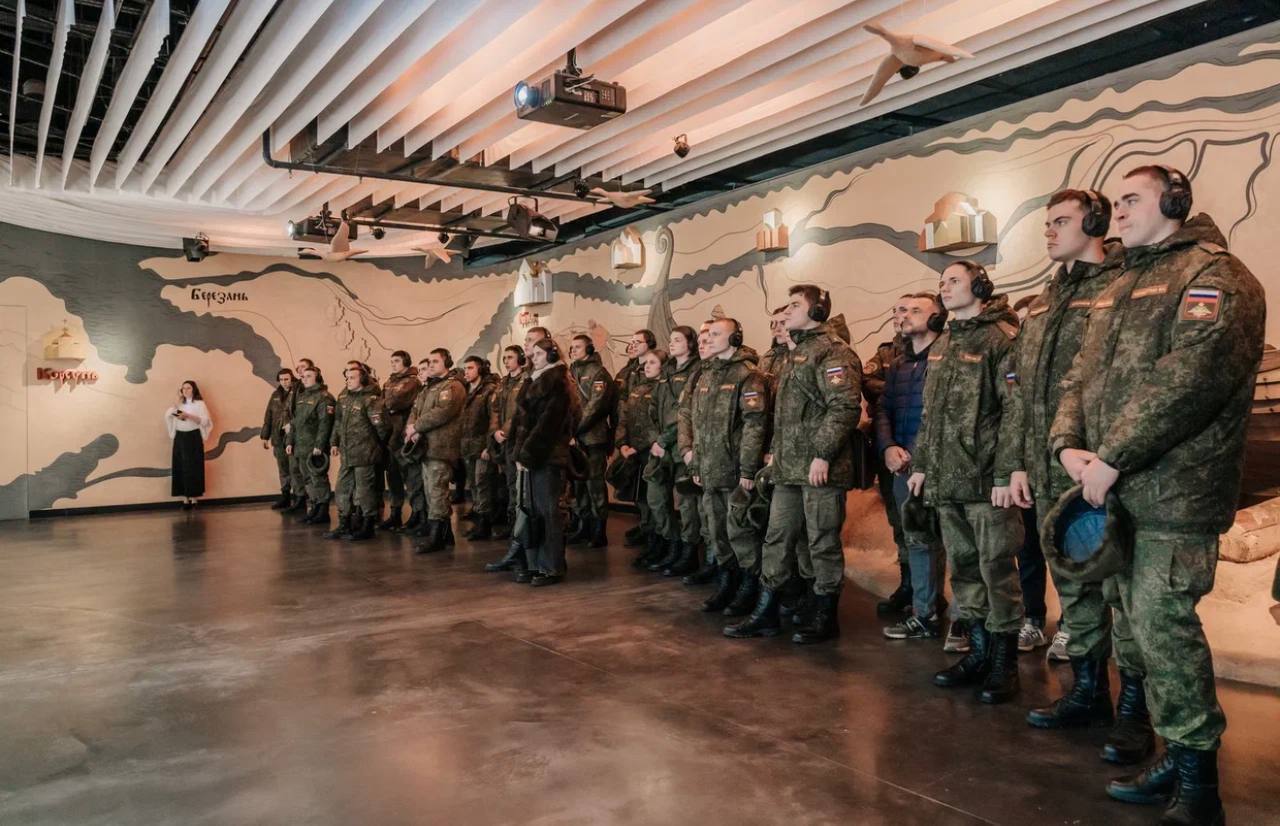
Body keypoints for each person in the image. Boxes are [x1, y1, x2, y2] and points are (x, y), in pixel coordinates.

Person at [1051, 166, 1264, 824]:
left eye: (1131, 200)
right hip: (1113, 489)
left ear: (1173, 202)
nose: (1117, 212)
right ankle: (1172, 752)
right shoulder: (1121, 282)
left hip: (1176, 494)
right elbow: (1080, 373)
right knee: (1135, 625)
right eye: (1114, 202)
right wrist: (1067, 443)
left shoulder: (1216, 277)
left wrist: (1112, 456)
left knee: (1165, 628)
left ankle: (1198, 784)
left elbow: (1187, 381)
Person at [1001, 189, 1142, 750]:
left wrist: (1112, 457)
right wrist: (1017, 463)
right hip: (1046, 467)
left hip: (1103, 468)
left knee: (1123, 593)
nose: (1050, 231)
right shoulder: (1044, 301)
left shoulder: (1122, 285)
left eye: (1061, 221)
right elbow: (1020, 393)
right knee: (1073, 588)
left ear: (1096, 222)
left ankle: (1135, 709)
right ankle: (1088, 693)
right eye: (1048, 223)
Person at [907, 261, 1025, 704]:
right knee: (965, 571)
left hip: (985, 480)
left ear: (980, 285)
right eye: (941, 282)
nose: (945, 288)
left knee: (997, 571)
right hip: (947, 480)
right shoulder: (944, 343)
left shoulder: (1001, 339)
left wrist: (1006, 472)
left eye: (954, 281)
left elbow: (1015, 411)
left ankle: (1004, 663)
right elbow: (931, 415)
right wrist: (923, 464)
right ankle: (978, 653)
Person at [727, 286, 861, 643]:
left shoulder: (834, 351)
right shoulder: (795, 352)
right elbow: (785, 415)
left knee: (822, 542)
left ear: (817, 311)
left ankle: (825, 614)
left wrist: (822, 454)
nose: (786, 312)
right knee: (777, 537)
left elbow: (844, 407)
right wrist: (774, 453)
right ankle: (767, 610)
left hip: (820, 469)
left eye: (795, 305)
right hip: (787, 467)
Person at [677, 318, 770, 616]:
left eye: (717, 334)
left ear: (735, 338)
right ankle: (727, 581)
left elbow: (755, 426)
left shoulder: (748, 375)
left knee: (741, 532)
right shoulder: (706, 374)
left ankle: (749, 587)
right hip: (708, 469)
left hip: (734, 472)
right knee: (717, 531)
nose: (709, 339)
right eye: (708, 334)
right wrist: (695, 461)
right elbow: (695, 422)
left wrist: (748, 470)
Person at [876, 294, 948, 640]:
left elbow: (942, 417)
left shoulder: (947, 358)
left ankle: (963, 622)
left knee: (950, 543)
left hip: (938, 465)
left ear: (936, 318)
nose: (905, 315)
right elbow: (883, 409)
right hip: (903, 466)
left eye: (916, 310)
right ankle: (925, 613)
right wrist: (888, 447)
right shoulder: (899, 364)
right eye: (902, 310)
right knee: (917, 541)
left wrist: (917, 454)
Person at [510, 337, 580, 585]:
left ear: (551, 355)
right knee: (533, 512)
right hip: (530, 457)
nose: (534, 357)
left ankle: (552, 566)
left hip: (547, 457)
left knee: (549, 512)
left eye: (539, 353)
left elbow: (547, 426)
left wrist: (526, 455)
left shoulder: (558, 383)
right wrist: (517, 453)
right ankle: (534, 563)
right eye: (534, 353)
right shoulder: (534, 379)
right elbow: (521, 421)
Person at [866, 297, 913, 616]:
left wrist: (894, 392)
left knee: (924, 526)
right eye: (896, 311)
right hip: (888, 446)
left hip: (917, 448)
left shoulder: (936, 349)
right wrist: (896, 391)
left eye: (907, 310)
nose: (899, 316)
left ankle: (928, 594)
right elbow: (865, 380)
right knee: (898, 521)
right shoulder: (885, 353)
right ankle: (907, 583)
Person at [645, 326, 703, 576]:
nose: (672, 343)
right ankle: (671, 543)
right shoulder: (667, 370)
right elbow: (652, 407)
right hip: (660, 449)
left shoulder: (696, 370)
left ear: (690, 343)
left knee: (688, 506)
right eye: (671, 339)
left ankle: (688, 552)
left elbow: (685, 413)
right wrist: (654, 440)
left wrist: (664, 440)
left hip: (680, 447)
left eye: (678, 340)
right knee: (656, 499)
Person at [408, 349, 467, 553]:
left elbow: (443, 412)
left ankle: (437, 538)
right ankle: (445, 535)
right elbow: (415, 410)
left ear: (447, 363)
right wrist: (411, 427)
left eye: (435, 361)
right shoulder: (429, 387)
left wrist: (417, 427)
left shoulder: (453, 386)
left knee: (437, 493)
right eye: (429, 361)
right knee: (431, 492)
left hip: (441, 448)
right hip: (427, 447)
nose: (431, 365)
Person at [328, 365, 391, 541]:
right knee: (342, 489)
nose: (348, 381)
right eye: (347, 378)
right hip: (347, 453)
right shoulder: (344, 398)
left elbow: (383, 428)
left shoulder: (371, 400)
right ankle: (344, 524)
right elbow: (338, 422)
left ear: (362, 379)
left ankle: (368, 525)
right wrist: (334, 442)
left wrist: (375, 446)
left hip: (365, 453)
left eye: (352, 377)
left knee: (365, 491)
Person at [617, 348, 668, 566]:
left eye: (653, 363)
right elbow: (625, 418)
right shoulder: (637, 388)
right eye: (645, 363)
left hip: (651, 451)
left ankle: (660, 543)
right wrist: (622, 443)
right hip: (634, 451)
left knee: (656, 501)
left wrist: (638, 447)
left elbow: (657, 424)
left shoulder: (663, 390)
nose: (647, 366)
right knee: (642, 500)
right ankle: (648, 539)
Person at [568, 333, 616, 548]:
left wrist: (574, 429)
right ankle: (583, 525)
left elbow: (595, 407)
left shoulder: (598, 373)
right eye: (571, 347)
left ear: (589, 349)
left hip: (593, 438)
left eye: (577, 347)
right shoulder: (571, 371)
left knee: (594, 484)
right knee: (579, 485)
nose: (573, 350)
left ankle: (599, 530)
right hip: (575, 439)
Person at [617, 329, 656, 547]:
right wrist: (622, 441)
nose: (632, 345)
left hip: (648, 441)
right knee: (636, 487)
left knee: (650, 491)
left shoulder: (655, 369)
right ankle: (644, 525)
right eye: (630, 341)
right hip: (631, 436)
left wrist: (640, 444)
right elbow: (624, 407)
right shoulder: (630, 370)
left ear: (649, 344)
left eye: (637, 342)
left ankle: (652, 531)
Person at [487, 345, 528, 549]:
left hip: (517, 438)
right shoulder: (503, 382)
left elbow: (521, 411)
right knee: (509, 482)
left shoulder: (526, 381)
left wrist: (504, 431)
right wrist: (495, 430)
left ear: (520, 358)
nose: (506, 361)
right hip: (503, 441)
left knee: (519, 486)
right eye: (504, 358)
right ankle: (512, 523)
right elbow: (494, 409)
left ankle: (519, 527)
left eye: (510, 357)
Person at [380, 351, 424, 531]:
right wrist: (386, 404)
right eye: (391, 361)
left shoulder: (412, 382)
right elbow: (381, 404)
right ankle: (395, 514)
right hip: (391, 436)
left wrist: (387, 404)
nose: (393, 364)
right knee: (393, 478)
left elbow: (391, 403)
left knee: (412, 479)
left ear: (406, 361)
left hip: (404, 438)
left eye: (397, 361)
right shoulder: (390, 381)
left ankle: (417, 515)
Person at [289, 365, 335, 525]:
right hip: (301, 446)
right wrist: (290, 441)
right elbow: (295, 423)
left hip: (315, 447)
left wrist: (320, 445)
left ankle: (323, 510)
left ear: (317, 378)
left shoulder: (324, 397)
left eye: (309, 376)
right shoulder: (301, 397)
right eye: (303, 376)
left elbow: (325, 424)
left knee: (318, 478)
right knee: (307, 479)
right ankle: (314, 507)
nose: (305, 379)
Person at [460, 356, 500, 540]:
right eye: (465, 368)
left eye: (470, 368)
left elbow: (493, 420)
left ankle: (485, 524)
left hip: (482, 445)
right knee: (474, 485)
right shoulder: (466, 390)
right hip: (468, 445)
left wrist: (489, 446)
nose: (466, 372)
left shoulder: (489, 390)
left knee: (483, 483)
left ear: (480, 369)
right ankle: (479, 521)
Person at [166, 380, 212, 509]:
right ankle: (185, 499)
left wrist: (188, 416)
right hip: (180, 437)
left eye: (188, 388)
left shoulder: (200, 404)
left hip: (193, 437)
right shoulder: (179, 403)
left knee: (193, 466)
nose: (185, 390)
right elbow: (169, 415)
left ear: (194, 389)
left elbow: (205, 421)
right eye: (183, 388)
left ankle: (194, 498)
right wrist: (177, 411)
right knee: (181, 465)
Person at [283, 358, 316, 515]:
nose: (299, 370)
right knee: (294, 469)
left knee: (309, 473)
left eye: (303, 367)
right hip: (294, 432)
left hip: (307, 435)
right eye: (298, 368)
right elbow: (288, 409)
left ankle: (314, 504)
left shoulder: (312, 389)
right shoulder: (295, 387)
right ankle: (299, 499)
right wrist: (288, 425)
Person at [261, 368, 295, 510]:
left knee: (295, 469)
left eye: (286, 379)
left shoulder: (298, 393)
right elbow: (268, 416)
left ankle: (299, 498)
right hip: (278, 438)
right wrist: (265, 436)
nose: (284, 382)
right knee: (283, 469)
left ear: (292, 378)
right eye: (281, 380)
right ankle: (285, 496)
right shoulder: (275, 395)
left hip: (293, 438)